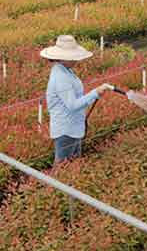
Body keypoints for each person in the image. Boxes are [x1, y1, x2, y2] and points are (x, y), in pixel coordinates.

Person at [43, 34, 114, 162]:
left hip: (73, 127)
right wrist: (95, 92)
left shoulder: (66, 71)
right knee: (63, 167)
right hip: (66, 130)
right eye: (72, 57)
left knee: (74, 165)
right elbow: (73, 105)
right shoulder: (61, 77)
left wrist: (95, 93)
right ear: (62, 58)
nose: (76, 60)